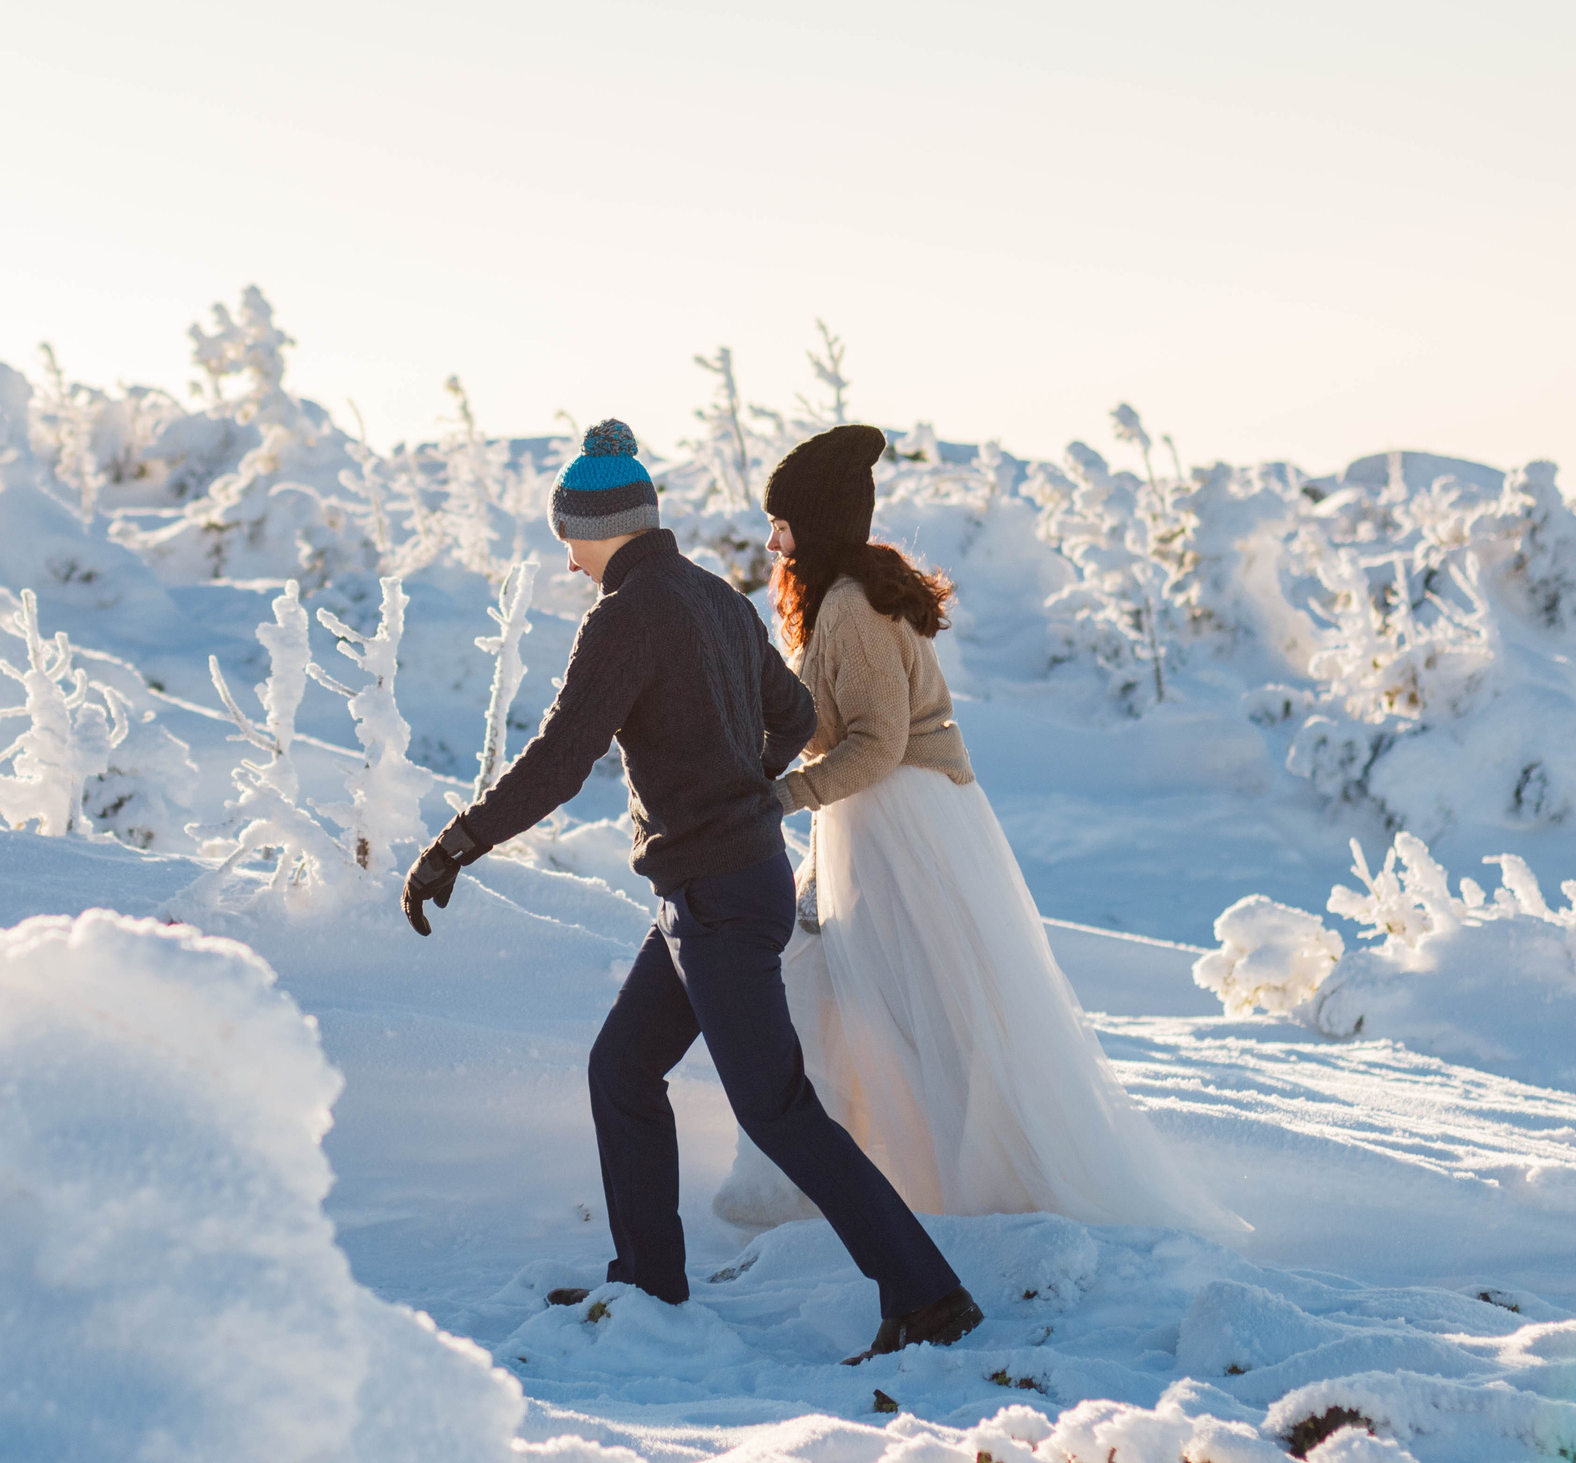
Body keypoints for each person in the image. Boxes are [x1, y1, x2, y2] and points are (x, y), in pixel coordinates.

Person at [402, 420, 982, 1364]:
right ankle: (648, 1280)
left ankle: (930, 1294)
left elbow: (559, 759)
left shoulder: (624, 617)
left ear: (599, 528)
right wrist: (740, 782)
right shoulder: (715, 595)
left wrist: (457, 844)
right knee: (622, 1068)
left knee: (776, 1107)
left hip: (716, 895)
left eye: (568, 535)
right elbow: (794, 713)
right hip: (712, 888)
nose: (567, 555)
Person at [716, 424, 1243, 1239]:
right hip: (882, 819)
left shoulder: (851, 607)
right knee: (838, 985)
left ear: (813, 526)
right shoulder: (850, 598)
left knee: (927, 1006)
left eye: (782, 525)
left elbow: (877, 744)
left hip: (897, 824)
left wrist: (783, 795)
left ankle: (976, 1190)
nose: (773, 543)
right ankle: (812, 1186)